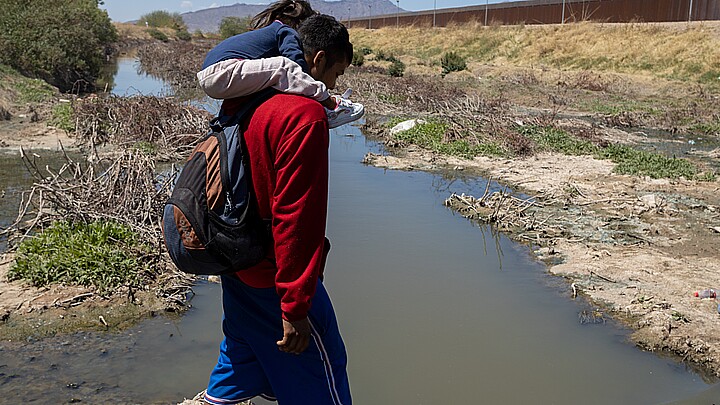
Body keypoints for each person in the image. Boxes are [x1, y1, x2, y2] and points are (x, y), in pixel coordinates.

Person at [197, 14, 354, 405]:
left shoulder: (246, 100)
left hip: (235, 260)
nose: (332, 85)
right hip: (273, 276)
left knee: (240, 363)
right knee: (323, 372)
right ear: (317, 60)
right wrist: (295, 306)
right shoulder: (304, 116)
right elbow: (296, 217)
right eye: (334, 72)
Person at [197, 0, 364, 129]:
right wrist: (315, 90)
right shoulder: (285, 31)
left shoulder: (273, 31)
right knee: (284, 66)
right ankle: (332, 105)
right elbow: (294, 63)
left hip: (214, 75)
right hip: (221, 71)